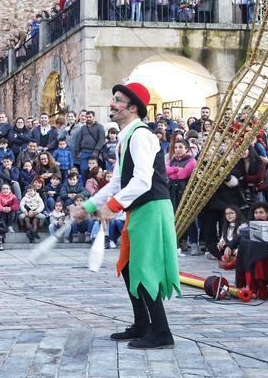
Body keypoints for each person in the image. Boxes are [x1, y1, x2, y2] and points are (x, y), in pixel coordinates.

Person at [75, 82, 180, 350]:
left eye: (117, 100)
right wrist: (87, 207)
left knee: (144, 268)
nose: (112, 104)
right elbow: (118, 182)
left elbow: (142, 181)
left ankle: (162, 333)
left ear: (132, 108)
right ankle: (142, 325)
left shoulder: (142, 136)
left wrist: (112, 206)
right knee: (129, 266)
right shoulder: (127, 137)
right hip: (139, 209)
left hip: (152, 207)